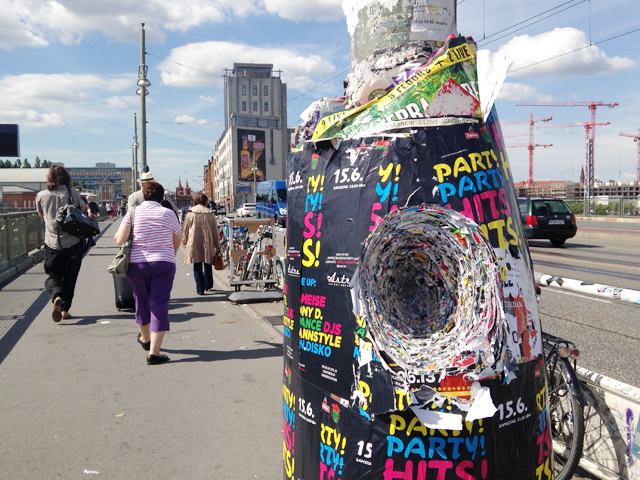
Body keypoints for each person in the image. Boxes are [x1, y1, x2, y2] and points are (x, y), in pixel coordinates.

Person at [114, 181, 182, 365]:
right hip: (164, 263)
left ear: (144, 196)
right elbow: (178, 239)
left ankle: (145, 338)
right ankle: (154, 353)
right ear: (162, 198)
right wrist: (169, 255)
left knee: (140, 301)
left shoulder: (133, 212)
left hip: (138, 264)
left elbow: (119, 239)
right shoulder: (169, 214)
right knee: (159, 304)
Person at [36, 165, 86, 322]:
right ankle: (65, 311)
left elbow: (41, 215)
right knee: (71, 277)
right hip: (73, 242)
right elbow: (83, 209)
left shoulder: (42, 195)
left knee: (53, 275)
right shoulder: (73, 193)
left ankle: (56, 294)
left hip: (52, 243)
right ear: (66, 178)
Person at [182, 192, 221, 295]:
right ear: (205, 201)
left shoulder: (190, 213)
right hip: (208, 241)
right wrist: (217, 244)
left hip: (194, 241)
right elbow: (214, 231)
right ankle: (208, 284)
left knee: (197, 264)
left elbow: (186, 229)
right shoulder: (210, 213)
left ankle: (200, 289)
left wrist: (185, 240)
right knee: (208, 263)